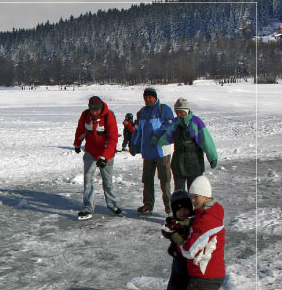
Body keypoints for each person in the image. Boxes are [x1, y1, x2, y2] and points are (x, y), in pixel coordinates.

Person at [167, 176, 246, 290]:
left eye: (196, 197)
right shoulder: (205, 212)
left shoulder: (207, 220)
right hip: (206, 274)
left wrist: (177, 240)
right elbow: (193, 226)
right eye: (192, 197)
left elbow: (189, 251)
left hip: (206, 277)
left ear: (205, 195)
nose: (193, 201)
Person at [150, 98, 218, 191]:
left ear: (187, 110)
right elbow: (167, 137)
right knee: (179, 195)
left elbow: (206, 141)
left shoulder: (196, 122)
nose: (179, 114)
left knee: (194, 192)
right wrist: (156, 141)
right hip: (178, 165)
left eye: (181, 112)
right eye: (177, 112)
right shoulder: (174, 123)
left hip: (194, 166)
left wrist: (212, 158)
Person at [73, 95, 121, 220]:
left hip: (106, 153)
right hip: (91, 151)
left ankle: (112, 205)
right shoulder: (85, 115)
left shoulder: (108, 116)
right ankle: (88, 208)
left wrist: (104, 157)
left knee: (107, 181)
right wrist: (77, 144)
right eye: (92, 110)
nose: (94, 113)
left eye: (96, 111)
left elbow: (113, 138)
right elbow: (80, 130)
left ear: (100, 108)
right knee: (88, 180)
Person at [129, 87, 175, 215]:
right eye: (146, 97)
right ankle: (148, 205)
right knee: (147, 179)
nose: (148, 100)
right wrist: (133, 144)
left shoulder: (163, 109)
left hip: (161, 152)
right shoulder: (142, 112)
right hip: (148, 153)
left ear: (155, 97)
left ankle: (169, 206)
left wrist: (158, 135)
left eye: (150, 97)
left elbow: (169, 124)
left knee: (164, 180)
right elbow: (137, 130)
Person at [161, 191, 194, 290]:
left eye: (186, 209)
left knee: (191, 280)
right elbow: (165, 229)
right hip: (179, 257)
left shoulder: (194, 220)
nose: (183, 212)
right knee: (177, 278)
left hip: (192, 258)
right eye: (179, 210)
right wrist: (174, 234)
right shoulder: (173, 222)